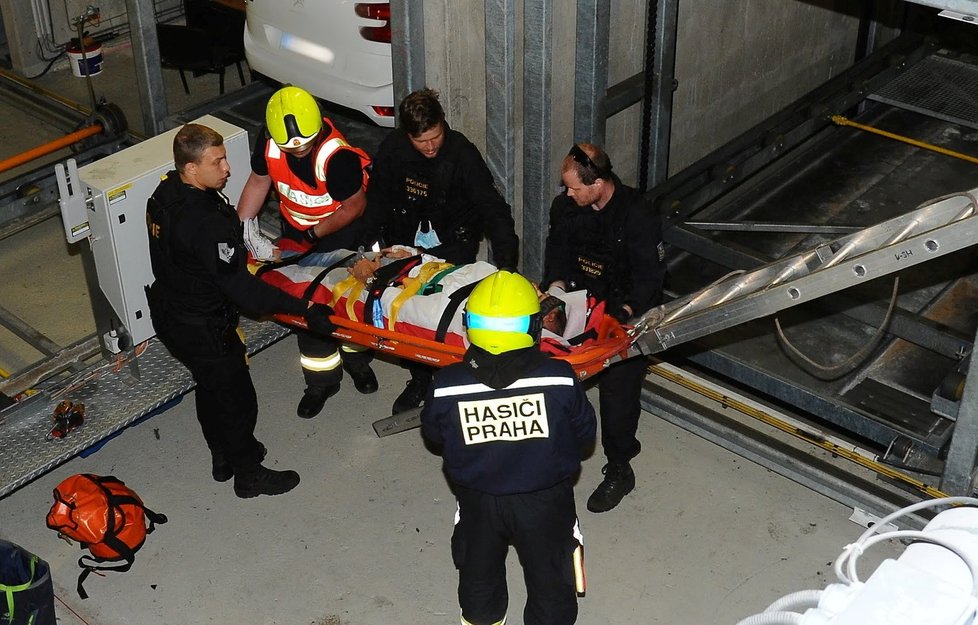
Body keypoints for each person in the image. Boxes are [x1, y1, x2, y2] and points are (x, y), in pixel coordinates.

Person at [144, 123, 337, 498]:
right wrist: (303, 308)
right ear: (191, 168)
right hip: (204, 326)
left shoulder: (163, 194)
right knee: (237, 400)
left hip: (171, 314)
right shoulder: (206, 223)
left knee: (210, 387)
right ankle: (248, 473)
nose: (227, 168)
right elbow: (244, 291)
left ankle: (222, 457)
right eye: (217, 162)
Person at [420, 270, 596, 625]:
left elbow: (435, 436)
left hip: (478, 500)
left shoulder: (446, 384)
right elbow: (584, 436)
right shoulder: (560, 377)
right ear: (533, 328)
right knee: (551, 577)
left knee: (478, 574)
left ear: (470, 325)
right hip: (545, 501)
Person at [360, 87, 520, 415]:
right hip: (405, 245)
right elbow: (376, 202)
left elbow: (491, 207)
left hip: (453, 245)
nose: (431, 146)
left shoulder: (461, 153)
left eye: (436, 136)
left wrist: (507, 265)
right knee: (411, 312)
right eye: (423, 141)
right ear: (408, 136)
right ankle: (420, 377)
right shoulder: (393, 151)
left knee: (446, 317)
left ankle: (448, 379)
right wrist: (364, 248)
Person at [236, 85, 378, 419]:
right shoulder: (269, 141)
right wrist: (244, 226)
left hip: (342, 237)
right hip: (297, 235)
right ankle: (321, 381)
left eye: (305, 146)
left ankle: (358, 361)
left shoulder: (336, 157)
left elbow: (353, 207)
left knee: (349, 302)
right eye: (290, 148)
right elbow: (259, 181)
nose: (298, 153)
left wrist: (310, 234)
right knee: (308, 306)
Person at [541, 143, 666, 513]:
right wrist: (555, 290)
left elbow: (650, 278)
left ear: (598, 183)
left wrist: (620, 312)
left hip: (623, 313)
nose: (567, 193)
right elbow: (557, 251)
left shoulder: (638, 215)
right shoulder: (566, 208)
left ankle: (620, 466)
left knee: (618, 394)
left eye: (575, 188)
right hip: (577, 305)